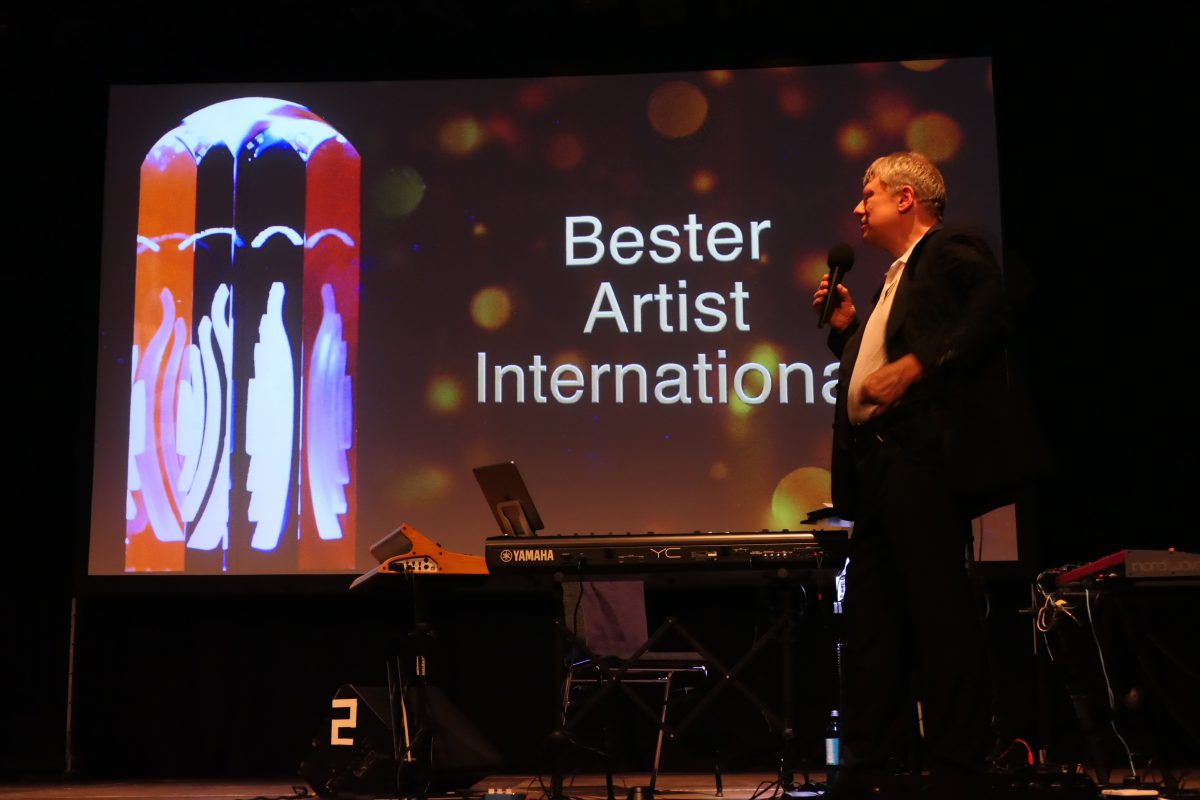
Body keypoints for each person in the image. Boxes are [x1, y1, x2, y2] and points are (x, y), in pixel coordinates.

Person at [812, 152, 1019, 799]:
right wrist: (848, 330)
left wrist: (919, 365)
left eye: (868, 193)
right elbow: (877, 363)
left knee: (937, 610)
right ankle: (869, 765)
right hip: (878, 469)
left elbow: (996, 304)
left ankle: (958, 765)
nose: (858, 207)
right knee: (870, 621)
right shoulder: (892, 279)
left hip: (920, 460)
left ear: (906, 199)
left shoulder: (948, 247)